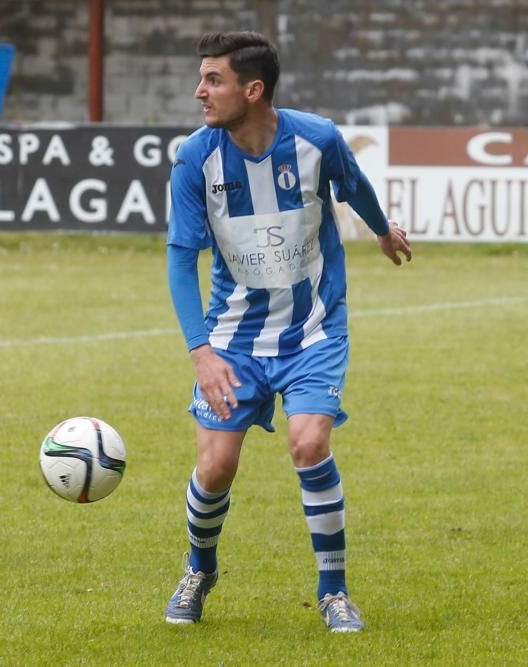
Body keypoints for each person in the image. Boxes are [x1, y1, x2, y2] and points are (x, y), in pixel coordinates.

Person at [164, 31, 411, 632]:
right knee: (216, 467)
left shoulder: (317, 139)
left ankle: (334, 592)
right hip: (232, 338)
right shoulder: (196, 157)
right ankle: (200, 568)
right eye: (201, 78)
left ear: (253, 90)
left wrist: (381, 231)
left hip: (313, 329)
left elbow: (354, 186)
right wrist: (201, 353)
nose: (200, 91)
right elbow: (179, 260)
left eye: (213, 80)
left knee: (309, 443)